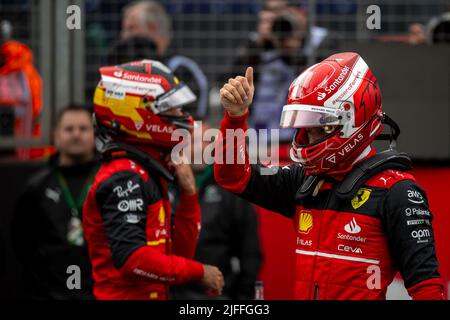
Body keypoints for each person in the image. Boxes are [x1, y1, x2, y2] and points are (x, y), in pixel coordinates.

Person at [215, 52, 444, 300]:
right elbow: (233, 175)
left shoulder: (398, 191)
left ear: (353, 120)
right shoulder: (303, 179)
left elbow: (427, 287)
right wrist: (235, 118)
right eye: (306, 130)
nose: (309, 140)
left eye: (320, 128)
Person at [83, 59, 224, 300]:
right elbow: (131, 260)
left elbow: (179, 256)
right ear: (135, 111)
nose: (183, 116)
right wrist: (199, 272)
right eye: (171, 108)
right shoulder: (123, 176)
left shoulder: (146, 169)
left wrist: (189, 197)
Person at [12, 105, 99, 300]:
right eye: (69, 129)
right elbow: (21, 242)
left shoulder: (111, 180)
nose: (76, 134)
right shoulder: (36, 186)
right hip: (50, 293)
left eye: (83, 128)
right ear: (56, 136)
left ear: (95, 134)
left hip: (102, 291)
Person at [171, 122, 263, 300]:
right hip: (172, 291)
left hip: (218, 295)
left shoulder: (229, 187)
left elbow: (250, 250)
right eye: (198, 140)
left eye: (210, 141)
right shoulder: (168, 183)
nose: (207, 147)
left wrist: (242, 298)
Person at [120, 1, 209, 119]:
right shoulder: (132, 65)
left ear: (152, 27)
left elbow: (197, 125)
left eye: (131, 28)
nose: (124, 36)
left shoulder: (181, 67)